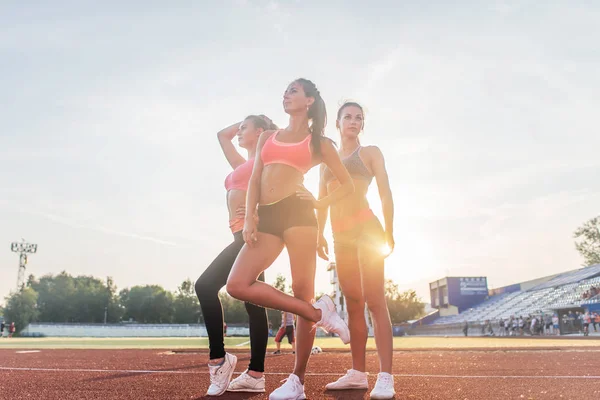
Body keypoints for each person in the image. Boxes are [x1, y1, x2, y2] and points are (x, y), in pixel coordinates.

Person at [226, 78, 355, 400]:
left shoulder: (320, 143)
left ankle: (297, 382)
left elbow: (347, 185)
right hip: (266, 217)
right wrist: (251, 217)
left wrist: (319, 203)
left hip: (299, 213)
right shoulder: (269, 136)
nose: (286, 94)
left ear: (309, 101)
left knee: (301, 290)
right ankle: (318, 312)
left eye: (293, 91)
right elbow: (255, 177)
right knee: (237, 284)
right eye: (285, 91)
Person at [316, 102, 395, 399]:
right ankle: (358, 373)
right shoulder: (326, 162)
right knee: (352, 303)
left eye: (358, 117)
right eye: (347, 116)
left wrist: (389, 230)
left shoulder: (370, 153)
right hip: (341, 238)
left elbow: (385, 192)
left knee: (375, 300)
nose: (353, 121)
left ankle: (385, 376)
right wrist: (319, 235)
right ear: (337, 123)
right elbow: (321, 200)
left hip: (367, 230)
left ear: (363, 124)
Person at [194, 115, 277, 396]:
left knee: (204, 286)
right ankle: (256, 374)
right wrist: (246, 120)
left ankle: (219, 360)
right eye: (239, 128)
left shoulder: (263, 161)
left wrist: (257, 216)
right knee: (254, 303)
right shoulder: (243, 164)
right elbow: (222, 135)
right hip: (238, 234)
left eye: (245, 129)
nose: (239, 133)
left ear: (261, 132)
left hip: (250, 235)